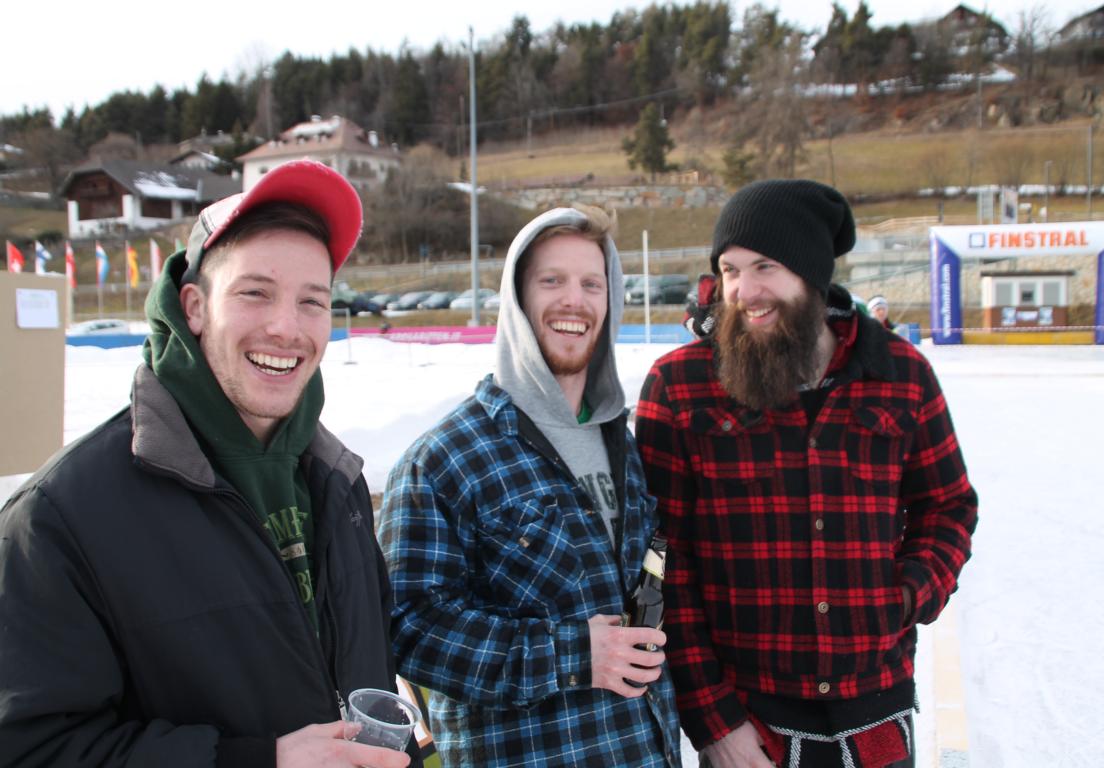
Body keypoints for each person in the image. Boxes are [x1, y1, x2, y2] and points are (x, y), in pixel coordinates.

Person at [0, 160, 416, 768]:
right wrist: (259, 761)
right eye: (255, 292)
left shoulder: (337, 480)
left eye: (312, 301)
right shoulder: (60, 518)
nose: (287, 327)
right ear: (194, 307)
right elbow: (31, 750)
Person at [635, 179, 978, 768]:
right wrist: (715, 723)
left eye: (765, 266)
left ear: (813, 274)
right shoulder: (680, 386)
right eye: (730, 269)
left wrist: (908, 593)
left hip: (876, 711)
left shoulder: (901, 374)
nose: (744, 290)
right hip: (749, 723)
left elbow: (948, 507)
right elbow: (662, 560)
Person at [378, 206, 681, 767]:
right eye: (552, 281)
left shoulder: (623, 444)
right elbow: (408, 629)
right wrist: (572, 654)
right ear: (517, 300)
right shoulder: (444, 459)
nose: (574, 300)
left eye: (592, 284)